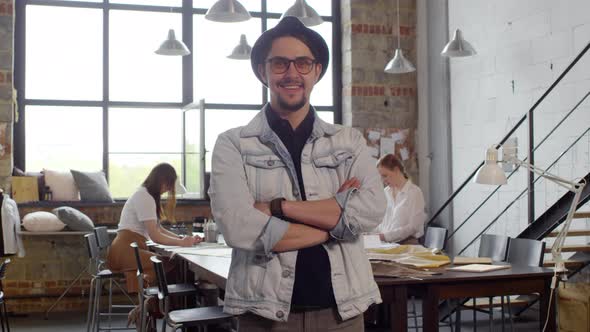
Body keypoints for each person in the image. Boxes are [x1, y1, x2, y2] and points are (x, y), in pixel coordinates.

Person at [209, 16, 386, 332]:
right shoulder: (233, 144)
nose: (292, 73)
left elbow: (370, 212)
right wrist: (335, 221)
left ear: (316, 71)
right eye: (280, 63)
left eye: (302, 63)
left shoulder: (348, 141)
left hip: (342, 313)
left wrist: (279, 208)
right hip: (264, 314)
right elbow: (238, 227)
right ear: (263, 72)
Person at [107, 162, 202, 286]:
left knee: (172, 263)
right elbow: (155, 236)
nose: (167, 190)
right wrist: (181, 243)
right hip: (125, 251)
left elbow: (159, 229)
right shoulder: (144, 196)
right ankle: (156, 304)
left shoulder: (146, 195)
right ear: (162, 181)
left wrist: (181, 239)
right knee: (165, 264)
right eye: (168, 186)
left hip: (129, 249)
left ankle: (160, 304)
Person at [375, 154, 427, 244]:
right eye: (381, 177)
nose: (383, 180)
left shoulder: (414, 192)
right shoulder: (386, 192)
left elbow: (413, 226)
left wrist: (385, 236)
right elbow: (381, 222)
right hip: (386, 245)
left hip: (408, 245)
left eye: (385, 175)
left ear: (396, 170)